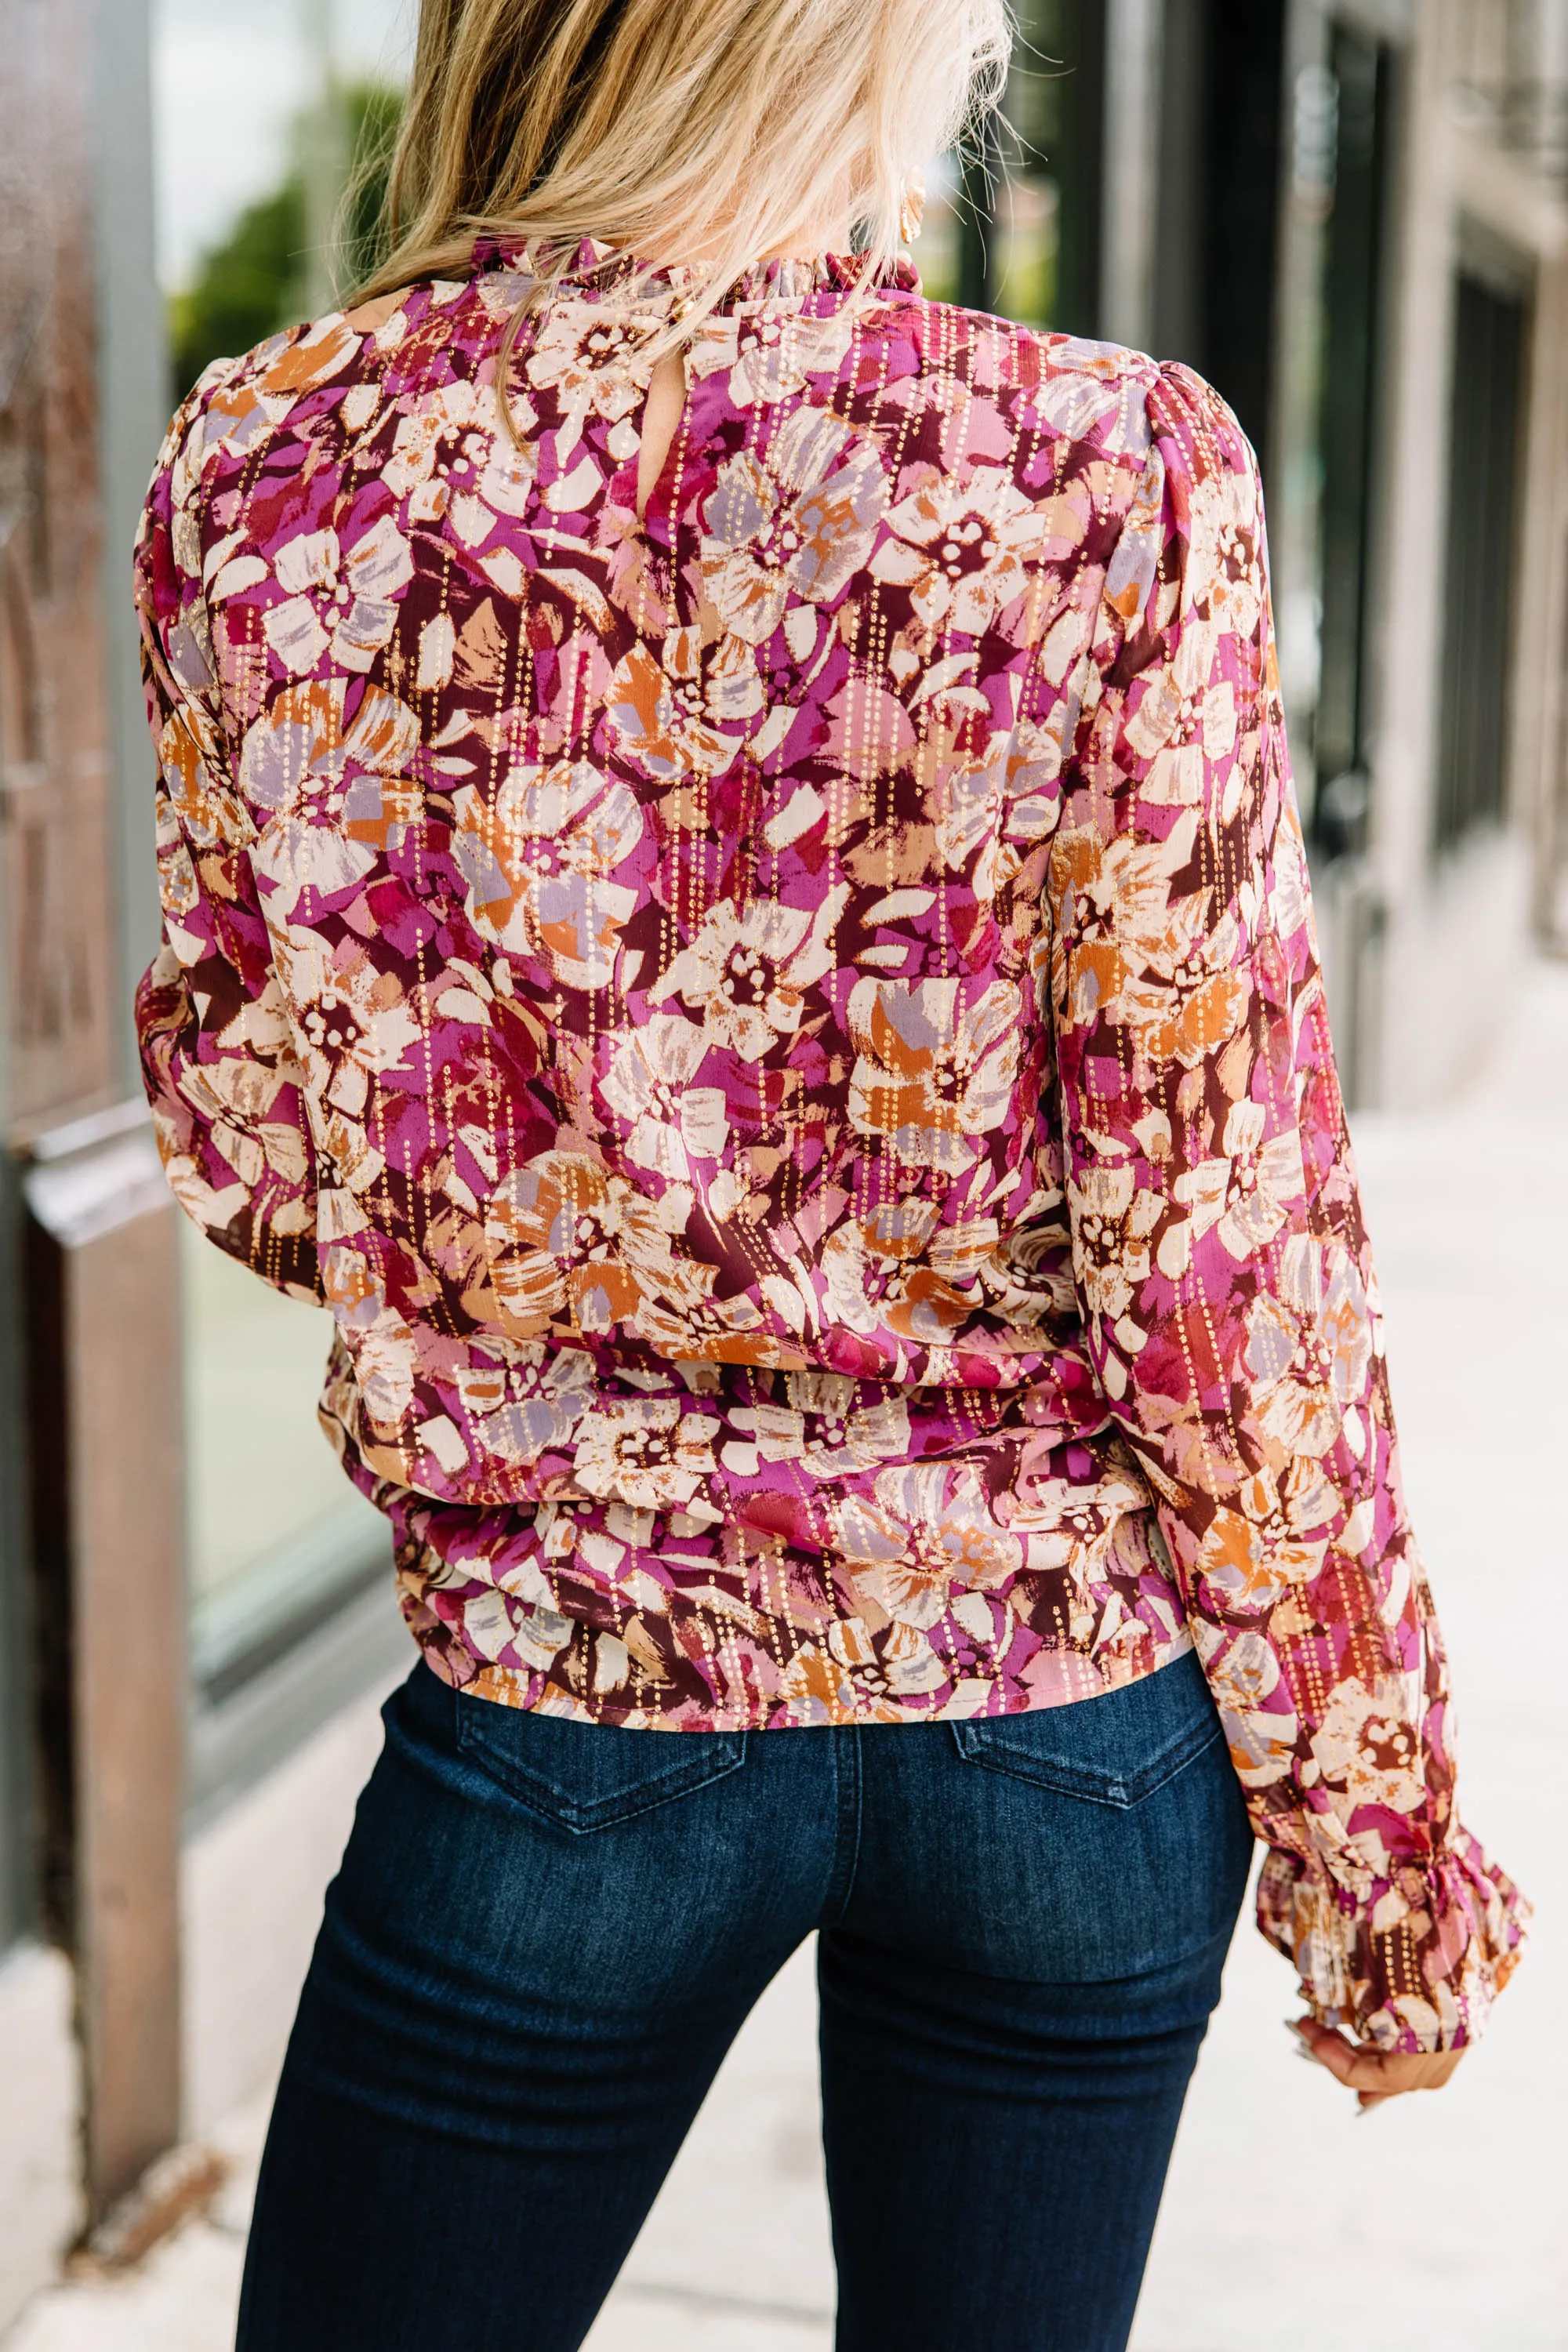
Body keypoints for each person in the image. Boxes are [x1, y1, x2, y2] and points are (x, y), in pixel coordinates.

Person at [133, 2, 1526, 2344]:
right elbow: (1228, 1237)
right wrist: (1374, 1848)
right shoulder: (1115, 471)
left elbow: (257, 1141)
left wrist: (580, 1179)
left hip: (578, 1681)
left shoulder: (273, 467)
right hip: (1066, 1719)